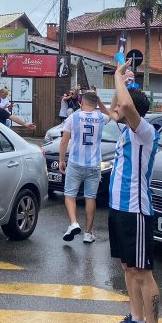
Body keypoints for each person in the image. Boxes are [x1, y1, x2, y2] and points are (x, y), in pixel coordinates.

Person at [104, 62, 162, 323]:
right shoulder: (125, 128)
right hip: (118, 208)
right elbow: (118, 105)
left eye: (123, 109)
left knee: (142, 272)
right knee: (128, 267)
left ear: (133, 113)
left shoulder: (145, 132)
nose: (118, 110)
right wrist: (123, 78)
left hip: (136, 210)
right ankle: (136, 320)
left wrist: (118, 78)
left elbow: (124, 103)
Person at [58, 90, 110, 243]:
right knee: (90, 197)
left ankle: (73, 223)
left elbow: (64, 141)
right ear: (95, 104)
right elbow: (111, 115)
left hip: (75, 163)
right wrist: (100, 102)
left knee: (70, 195)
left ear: (81, 102)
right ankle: (88, 233)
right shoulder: (100, 117)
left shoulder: (73, 117)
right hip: (94, 164)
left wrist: (62, 160)